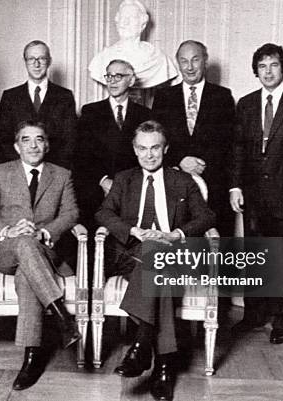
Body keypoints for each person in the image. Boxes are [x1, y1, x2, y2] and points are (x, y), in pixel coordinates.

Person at [95, 120, 215, 401]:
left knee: (159, 256)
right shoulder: (124, 179)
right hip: (131, 253)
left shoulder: (182, 181)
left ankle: (141, 346)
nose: (149, 155)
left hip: (173, 252)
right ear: (135, 150)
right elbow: (103, 213)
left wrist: (177, 234)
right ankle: (164, 365)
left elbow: (207, 216)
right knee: (154, 255)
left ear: (166, 148)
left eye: (155, 148)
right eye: (142, 148)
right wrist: (133, 230)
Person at [0, 121, 80, 391]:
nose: (33, 145)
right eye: (26, 140)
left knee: (27, 273)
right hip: (8, 249)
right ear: (16, 146)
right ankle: (61, 316)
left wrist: (44, 232)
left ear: (47, 144)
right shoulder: (0, 173)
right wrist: (7, 230)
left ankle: (31, 358)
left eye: (39, 139)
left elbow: (71, 214)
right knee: (22, 242)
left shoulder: (61, 175)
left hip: (44, 249)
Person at [229, 43, 283, 344]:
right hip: (254, 196)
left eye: (274, 65)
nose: (268, 71)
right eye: (262, 66)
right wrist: (236, 186)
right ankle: (254, 314)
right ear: (256, 70)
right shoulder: (246, 103)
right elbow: (238, 149)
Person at [152, 40, 236, 236]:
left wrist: (201, 164)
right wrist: (180, 160)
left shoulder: (223, 96)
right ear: (178, 64)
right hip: (174, 184)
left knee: (217, 251)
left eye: (195, 60)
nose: (189, 67)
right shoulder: (164, 97)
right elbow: (156, 140)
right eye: (184, 61)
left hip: (214, 185)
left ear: (205, 61)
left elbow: (230, 143)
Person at [75, 59, 151, 226]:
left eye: (118, 76)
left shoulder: (145, 115)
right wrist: (103, 180)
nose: (112, 81)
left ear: (131, 80)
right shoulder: (90, 112)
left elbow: (148, 157)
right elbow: (82, 155)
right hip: (97, 190)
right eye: (109, 76)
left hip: (133, 191)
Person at [0, 40, 77, 169]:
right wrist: (24, 168)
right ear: (25, 62)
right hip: (19, 172)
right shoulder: (10, 97)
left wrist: (48, 170)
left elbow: (69, 141)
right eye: (31, 59)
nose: (36, 64)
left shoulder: (65, 97)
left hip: (54, 171)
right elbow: (4, 140)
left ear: (49, 61)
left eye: (41, 58)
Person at [88, 0, 177, 88]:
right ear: (117, 21)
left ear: (143, 24)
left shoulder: (158, 58)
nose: (125, 22)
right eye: (122, 17)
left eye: (132, 18)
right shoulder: (102, 58)